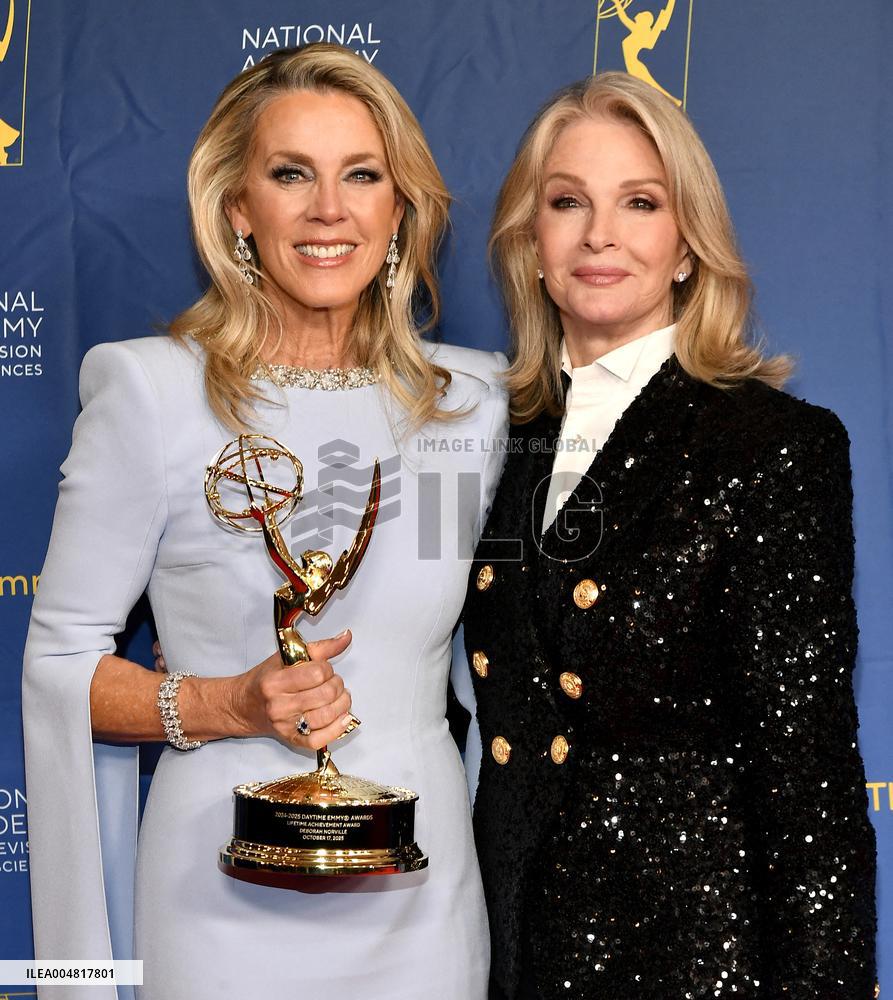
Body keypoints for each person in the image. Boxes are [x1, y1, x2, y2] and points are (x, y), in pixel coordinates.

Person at [23, 44, 507, 1000]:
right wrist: (229, 705)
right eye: (291, 174)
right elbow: (61, 664)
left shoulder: (472, 405)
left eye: (361, 175)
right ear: (238, 208)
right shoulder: (153, 392)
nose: (329, 209)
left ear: (400, 210)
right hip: (218, 893)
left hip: (421, 896)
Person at [462, 72, 877, 999]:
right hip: (504, 942)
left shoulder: (771, 446)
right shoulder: (491, 436)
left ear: (687, 245)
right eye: (567, 202)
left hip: (688, 951)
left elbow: (806, 774)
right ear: (529, 242)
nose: (598, 234)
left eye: (639, 203)